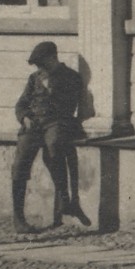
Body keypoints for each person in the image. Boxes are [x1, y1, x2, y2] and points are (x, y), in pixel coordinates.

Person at [10, 41, 91, 232]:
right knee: (20, 164)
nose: (40, 68)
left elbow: (69, 107)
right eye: (38, 66)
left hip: (57, 121)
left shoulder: (71, 77)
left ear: (53, 58)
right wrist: (25, 118)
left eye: (42, 64)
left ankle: (64, 200)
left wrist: (51, 87)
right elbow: (21, 104)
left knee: (54, 146)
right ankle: (18, 218)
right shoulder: (34, 79)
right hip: (34, 125)